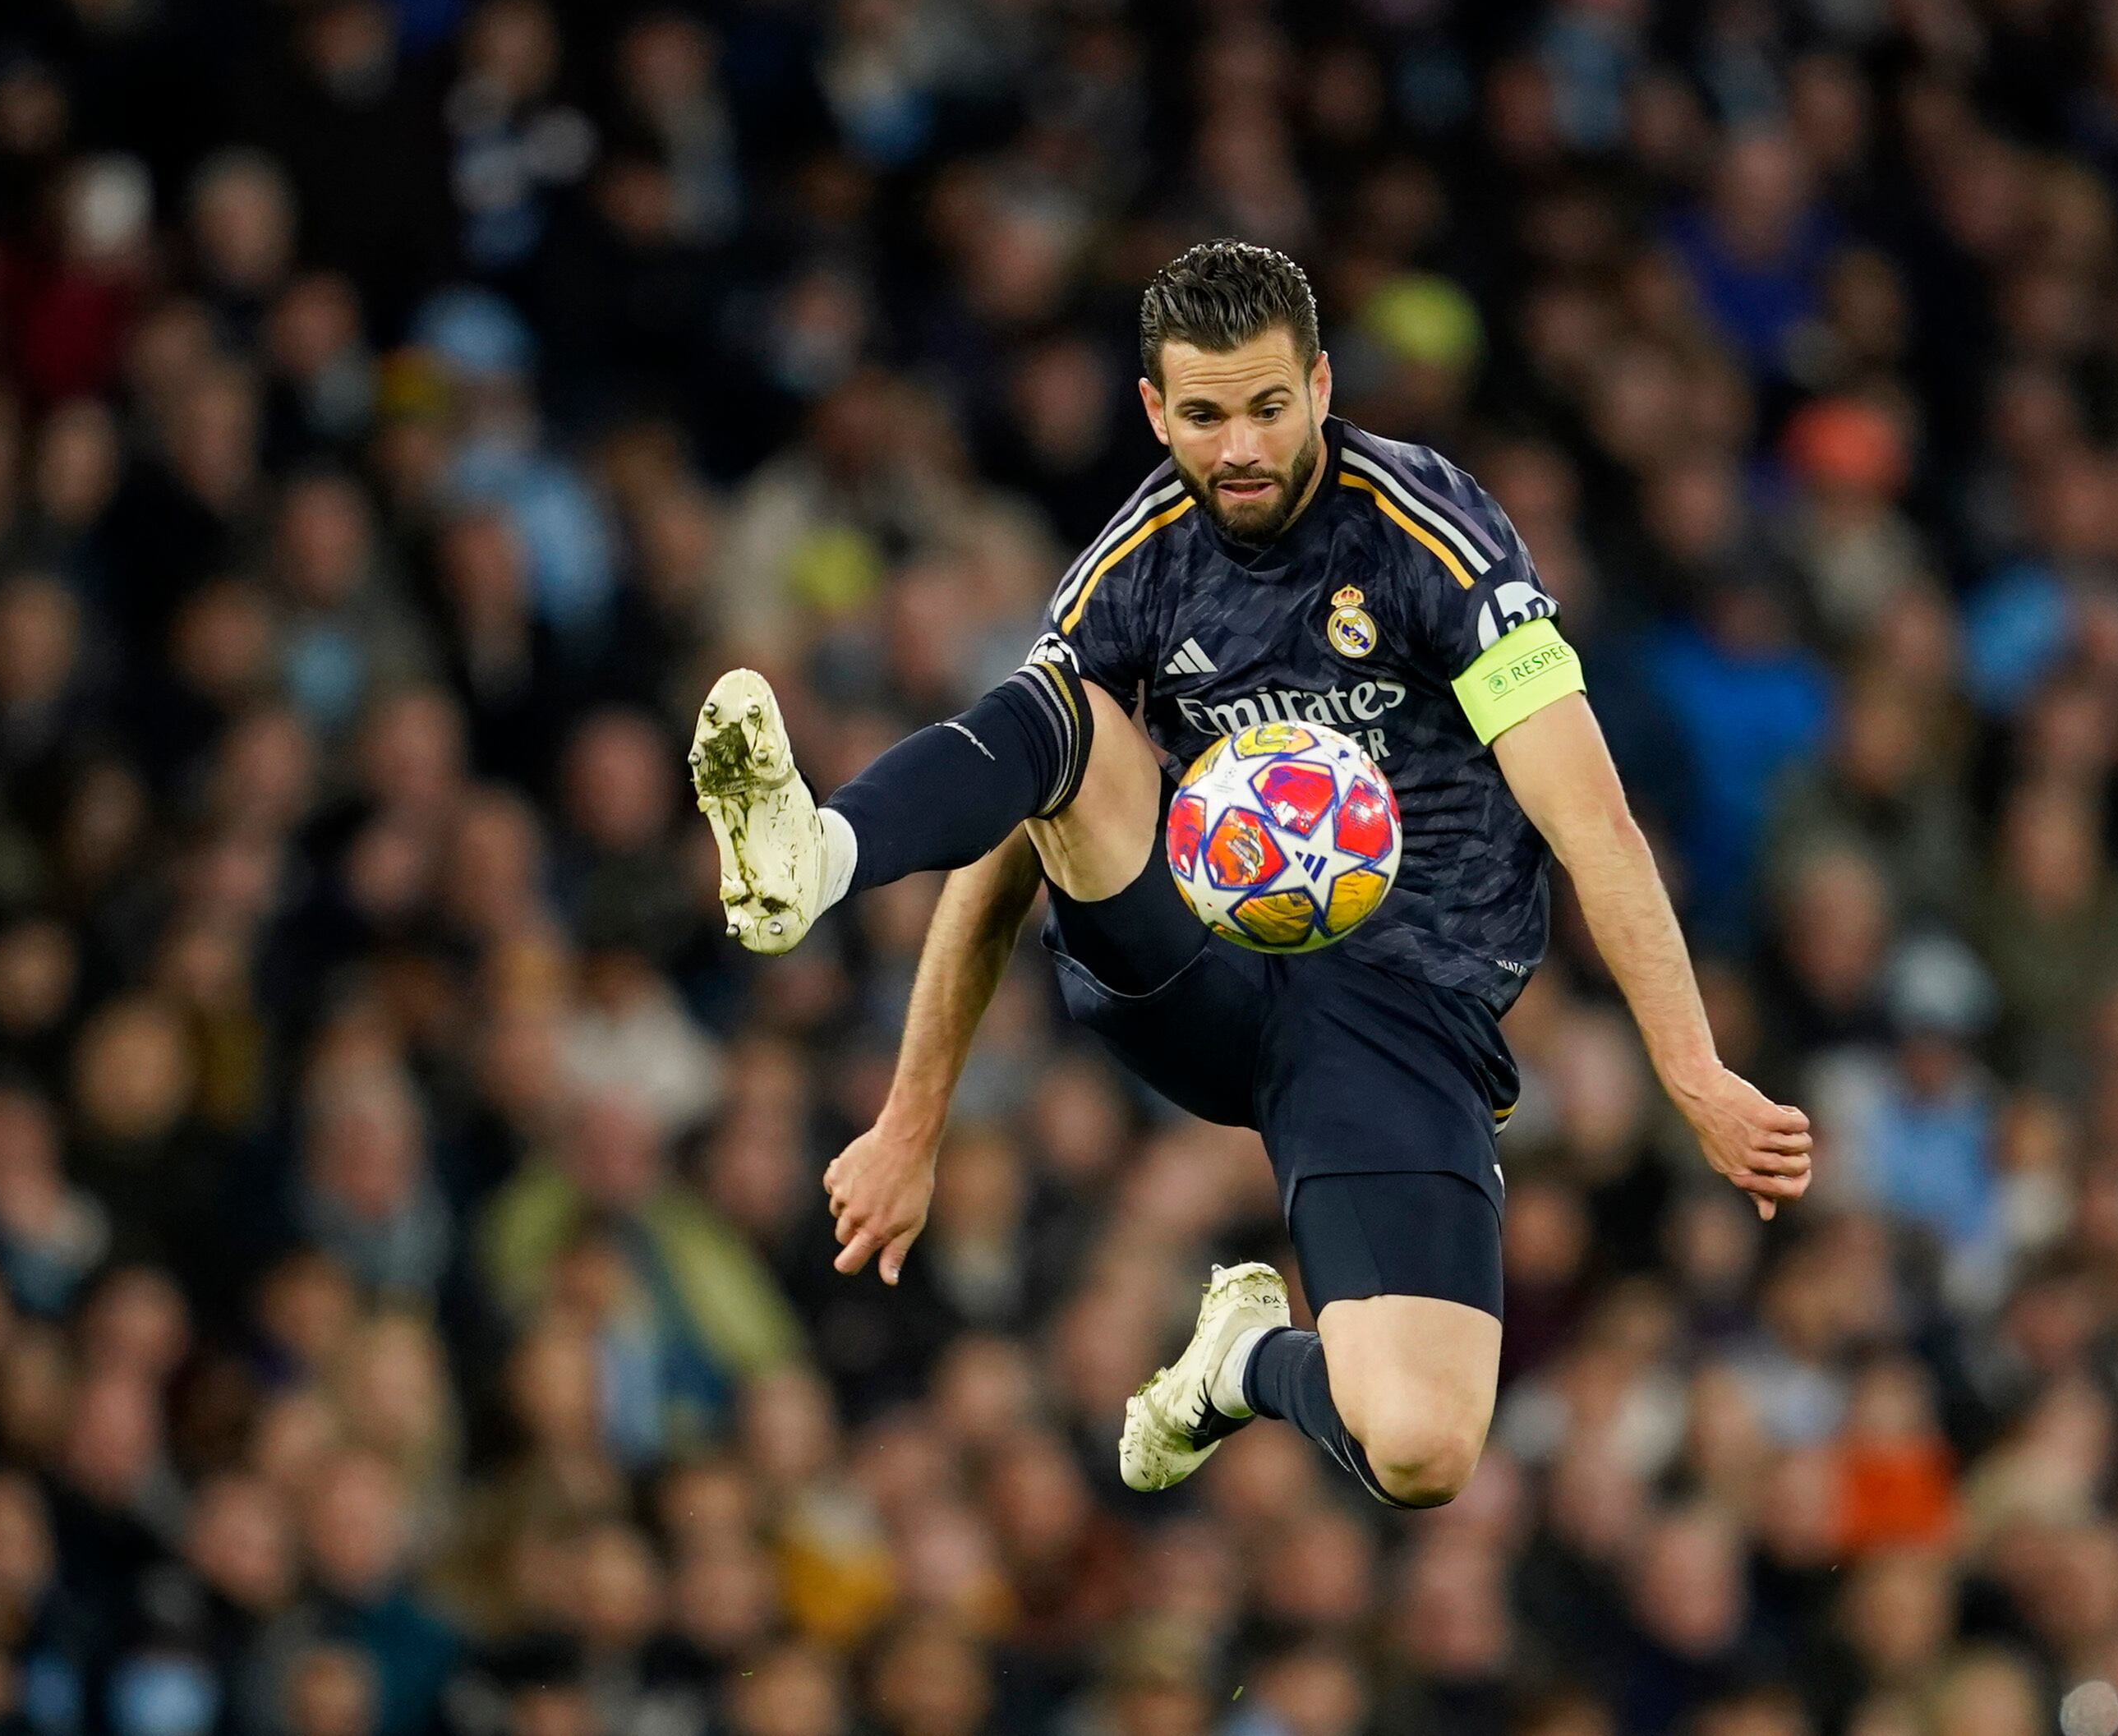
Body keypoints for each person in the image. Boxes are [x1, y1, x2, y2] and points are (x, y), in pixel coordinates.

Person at [690, 241, 1813, 1508]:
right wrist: (910, 1123)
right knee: (1063, 713)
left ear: (1323, 387)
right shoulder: (1137, 565)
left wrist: (1694, 1070)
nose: (1240, 448)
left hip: (1402, 1017)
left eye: (1270, 408)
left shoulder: (1431, 540)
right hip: (1200, 973)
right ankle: (815, 851)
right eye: (1207, 415)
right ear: (1155, 411)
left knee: (1424, 1450)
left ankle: (1244, 1363)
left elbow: (1592, 818)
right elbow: (1011, 841)